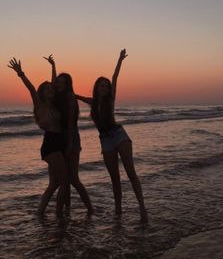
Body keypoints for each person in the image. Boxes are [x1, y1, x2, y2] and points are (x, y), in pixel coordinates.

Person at [76, 49, 148, 222]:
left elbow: (115, 77)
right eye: (102, 85)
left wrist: (120, 60)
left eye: (106, 86)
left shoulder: (110, 99)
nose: (105, 87)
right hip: (105, 141)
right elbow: (74, 95)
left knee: (131, 173)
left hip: (119, 135)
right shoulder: (92, 102)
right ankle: (118, 212)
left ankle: (142, 209)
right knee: (114, 178)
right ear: (96, 87)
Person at [8, 57, 68, 217]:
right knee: (64, 182)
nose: (51, 90)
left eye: (52, 89)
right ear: (42, 92)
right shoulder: (39, 105)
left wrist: (54, 65)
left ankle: (39, 213)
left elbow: (55, 83)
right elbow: (31, 88)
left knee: (54, 184)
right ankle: (59, 215)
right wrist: (21, 73)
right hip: (51, 144)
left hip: (60, 143)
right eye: (47, 89)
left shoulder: (55, 105)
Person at [44, 55, 93, 215]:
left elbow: (71, 124)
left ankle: (90, 209)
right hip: (59, 139)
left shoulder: (70, 98)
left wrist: (70, 145)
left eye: (63, 83)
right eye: (59, 82)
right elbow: (52, 85)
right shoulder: (58, 97)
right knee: (63, 180)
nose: (59, 85)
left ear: (68, 85)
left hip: (71, 139)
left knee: (73, 179)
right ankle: (67, 210)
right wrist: (53, 66)